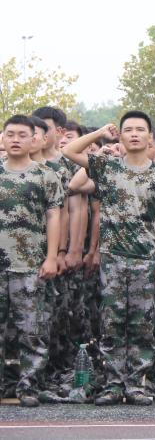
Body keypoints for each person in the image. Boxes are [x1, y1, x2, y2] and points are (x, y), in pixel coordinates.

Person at [62, 113, 155, 406]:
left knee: (142, 324)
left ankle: (137, 384)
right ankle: (113, 384)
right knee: (111, 323)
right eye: (128, 129)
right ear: (121, 136)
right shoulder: (107, 167)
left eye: (140, 129)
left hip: (145, 258)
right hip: (113, 259)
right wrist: (100, 133)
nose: (134, 134)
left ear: (150, 137)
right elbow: (70, 151)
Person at [0, 115, 64, 407]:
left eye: (22, 135)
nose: (15, 139)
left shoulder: (45, 175)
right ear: (3, 138)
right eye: (10, 134)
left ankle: (29, 386)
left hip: (29, 264)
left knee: (31, 330)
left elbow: (54, 217)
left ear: (33, 139)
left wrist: (51, 257)